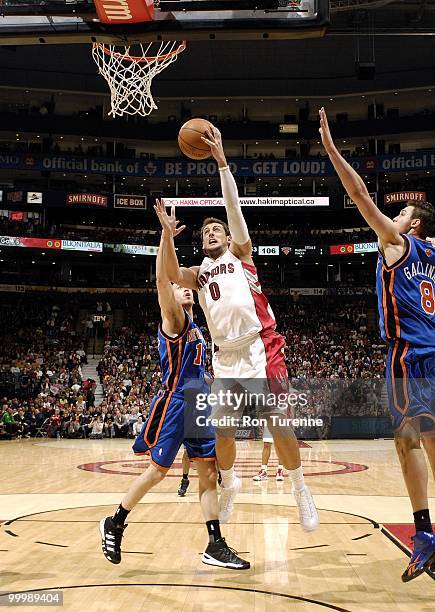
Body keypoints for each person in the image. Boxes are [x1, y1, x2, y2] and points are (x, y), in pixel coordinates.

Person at [154, 126, 318, 531]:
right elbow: (170, 272)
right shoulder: (198, 273)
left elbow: (234, 212)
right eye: (206, 231)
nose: (212, 233)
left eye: (217, 230)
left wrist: (223, 163)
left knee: (278, 420)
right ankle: (230, 484)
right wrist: (165, 236)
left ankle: (300, 488)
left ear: (229, 238)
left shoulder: (242, 256)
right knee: (222, 433)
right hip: (226, 356)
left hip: (261, 345)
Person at [319, 106, 435, 582]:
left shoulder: (399, 244)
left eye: (402, 212)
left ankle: (424, 533)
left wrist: (330, 150)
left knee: (407, 442)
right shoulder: (433, 256)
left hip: (410, 354)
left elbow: (359, 194)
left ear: (413, 226)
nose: (394, 215)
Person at [99, 223, 249, 570]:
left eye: (187, 289)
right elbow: (162, 281)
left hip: (198, 404)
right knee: (157, 473)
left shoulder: (198, 328)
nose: (184, 290)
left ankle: (215, 543)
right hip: (177, 403)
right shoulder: (175, 319)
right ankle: (115, 521)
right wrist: (167, 236)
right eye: (179, 289)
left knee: (208, 473)